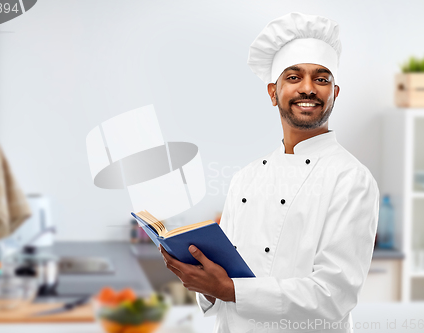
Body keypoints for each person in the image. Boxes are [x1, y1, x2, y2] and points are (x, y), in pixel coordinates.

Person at [159, 12, 379, 333]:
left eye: (321, 79)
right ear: (272, 93)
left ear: (335, 93)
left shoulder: (351, 179)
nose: (308, 88)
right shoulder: (246, 178)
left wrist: (230, 290)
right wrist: (203, 281)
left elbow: (334, 296)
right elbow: (223, 281)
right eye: (293, 77)